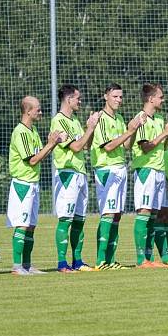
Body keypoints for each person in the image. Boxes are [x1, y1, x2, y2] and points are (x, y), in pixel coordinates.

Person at [91, 83, 145, 270]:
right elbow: (108, 146)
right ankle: (100, 261)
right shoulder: (101, 119)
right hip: (107, 169)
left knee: (116, 216)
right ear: (106, 97)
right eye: (115, 96)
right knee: (108, 213)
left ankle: (111, 260)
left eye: (121, 97)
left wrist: (134, 128)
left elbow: (127, 145)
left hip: (120, 168)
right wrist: (129, 131)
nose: (119, 100)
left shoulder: (120, 118)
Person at [7, 96, 63, 275]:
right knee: (22, 225)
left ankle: (27, 265)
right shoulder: (21, 132)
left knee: (31, 226)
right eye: (37, 109)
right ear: (28, 111)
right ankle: (17, 266)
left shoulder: (33, 131)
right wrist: (51, 144)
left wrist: (52, 145)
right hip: (22, 184)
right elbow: (32, 160)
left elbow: (40, 154)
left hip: (33, 183)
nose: (40, 112)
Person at [51, 85, 101, 272]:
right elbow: (76, 147)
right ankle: (62, 263)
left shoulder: (75, 121)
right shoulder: (59, 121)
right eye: (78, 98)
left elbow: (86, 145)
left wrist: (92, 128)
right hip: (67, 174)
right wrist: (89, 127)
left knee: (80, 220)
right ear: (68, 99)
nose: (80, 101)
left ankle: (78, 261)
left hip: (80, 173)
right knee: (66, 219)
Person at [131, 84, 168, 268]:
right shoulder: (141, 118)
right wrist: (164, 133)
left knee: (153, 215)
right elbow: (145, 146)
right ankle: (141, 259)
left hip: (158, 170)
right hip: (146, 170)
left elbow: (161, 147)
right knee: (144, 212)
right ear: (151, 99)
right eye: (160, 97)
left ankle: (149, 258)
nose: (163, 100)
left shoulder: (158, 119)